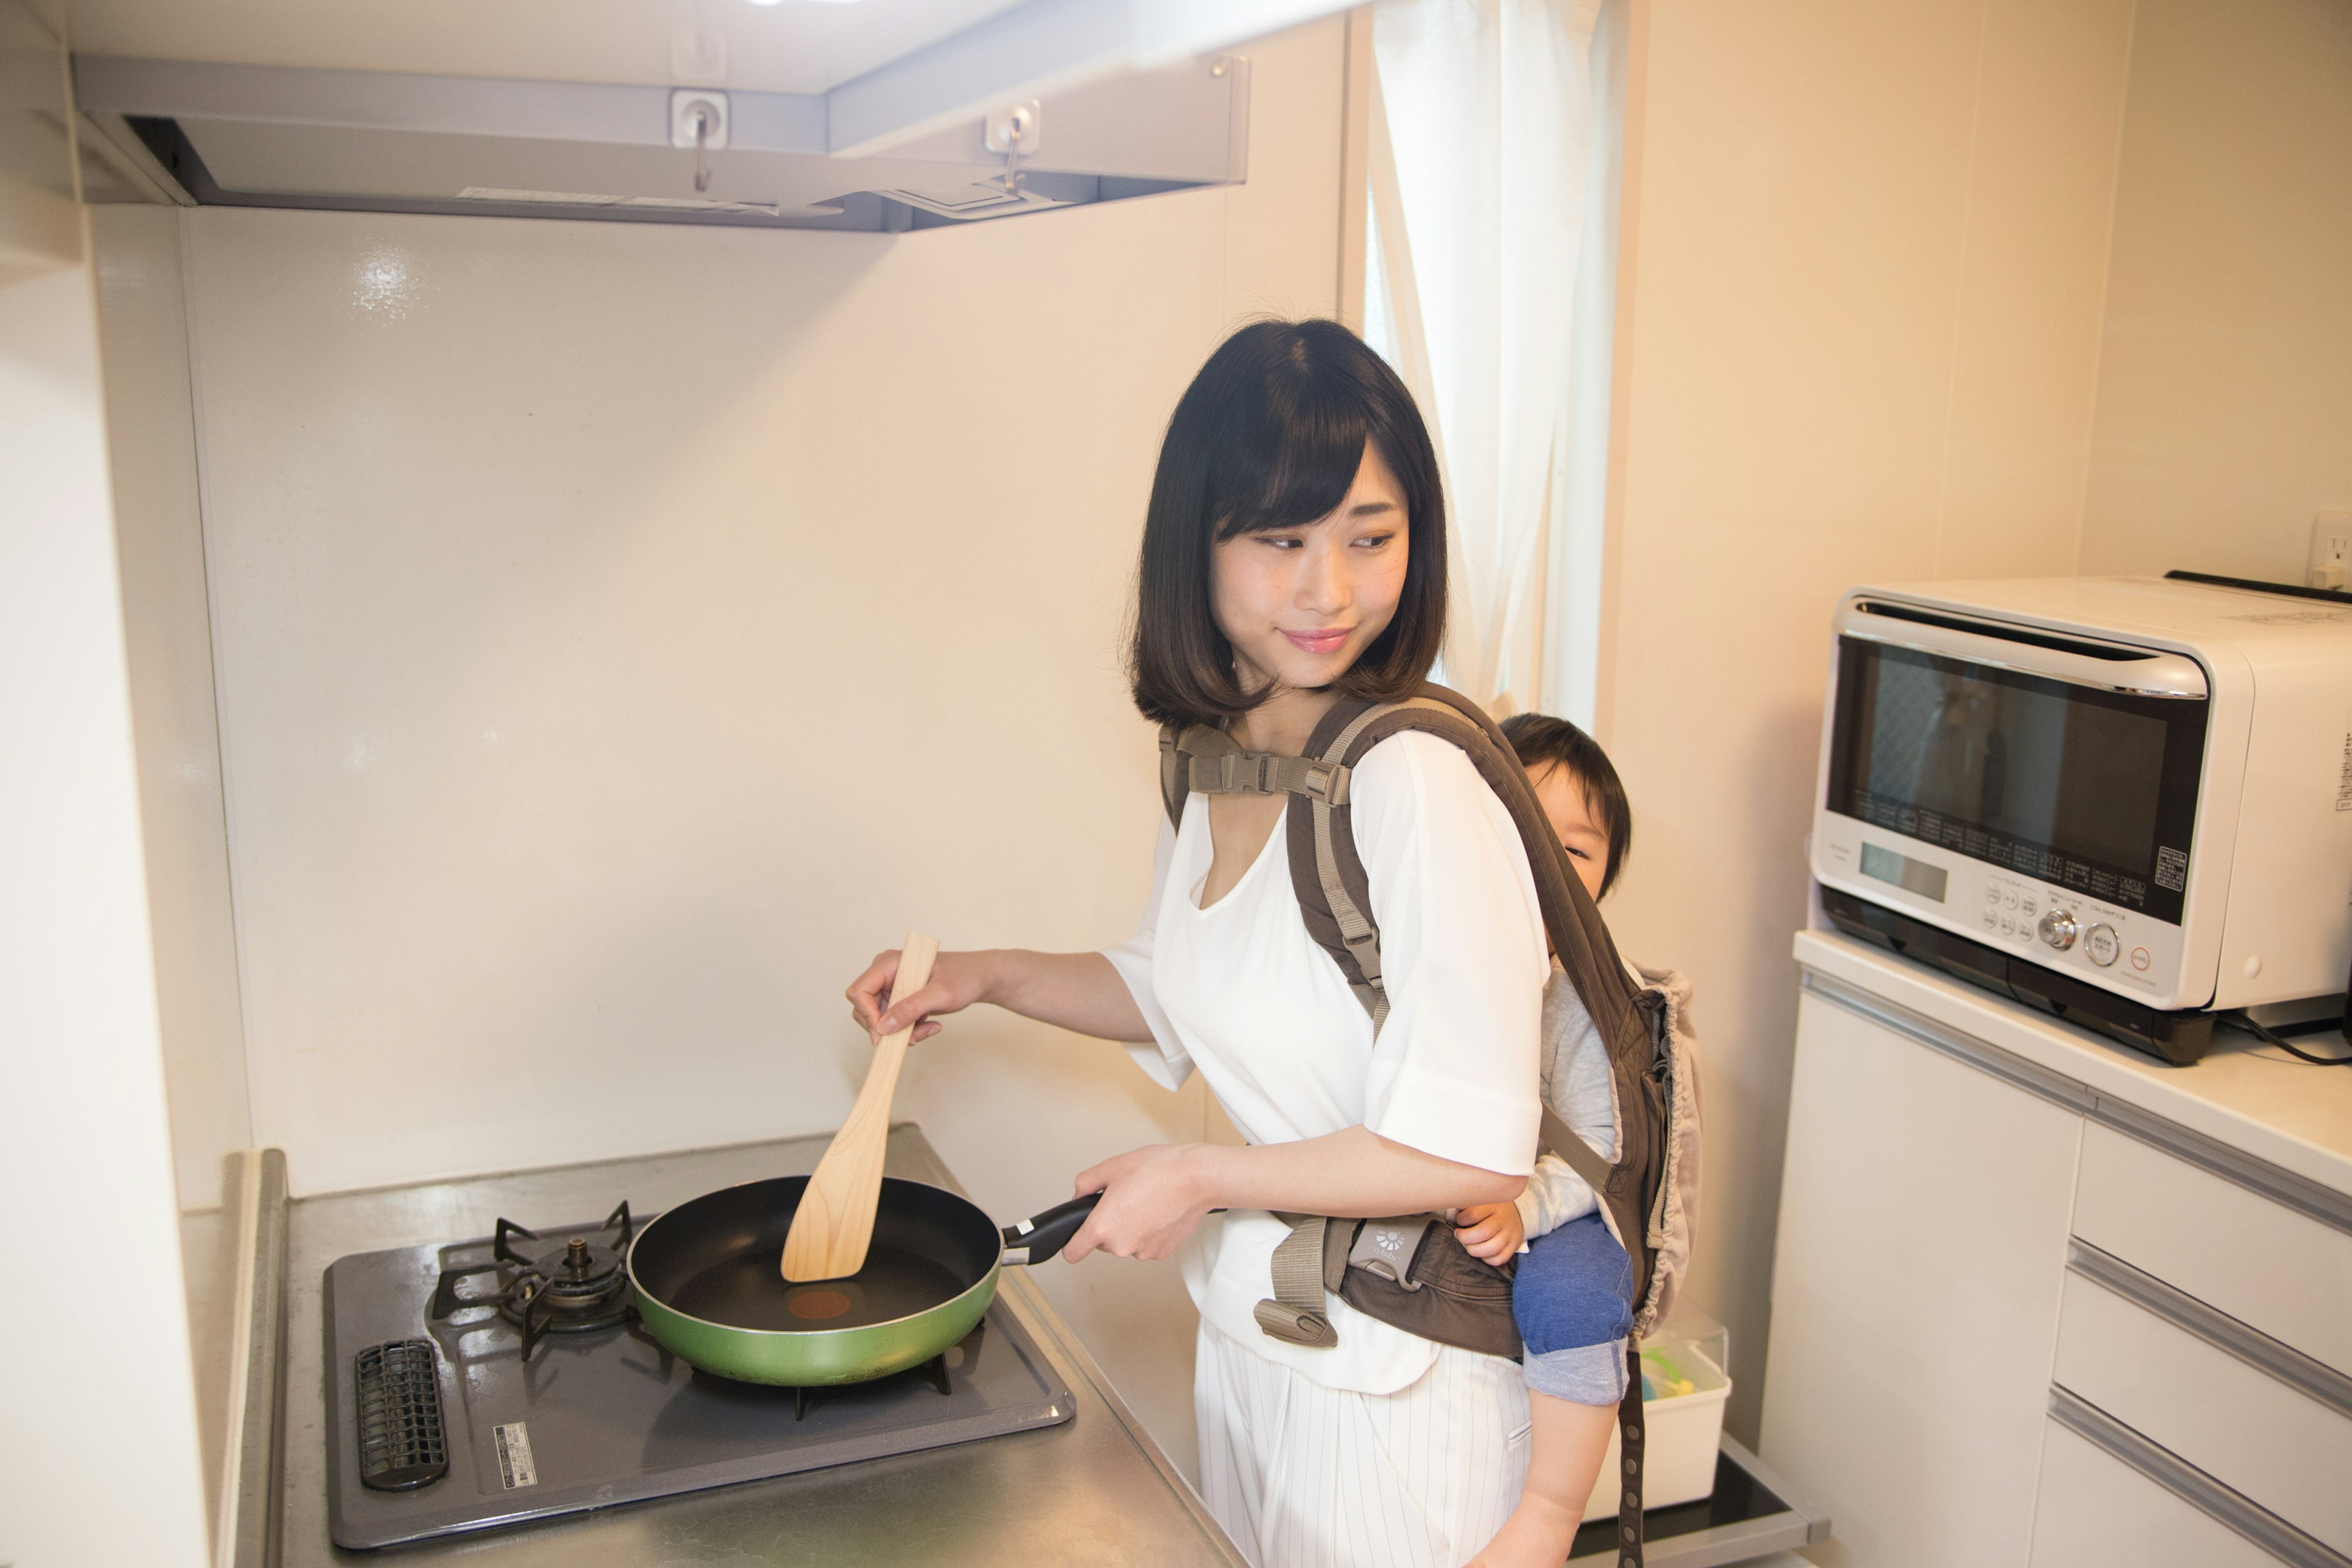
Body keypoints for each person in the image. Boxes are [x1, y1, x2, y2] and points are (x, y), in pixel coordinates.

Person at [844, 319, 1557, 1568]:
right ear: (1201, 546)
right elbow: (1187, 985)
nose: (1328, 587)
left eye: (1369, 538)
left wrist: (1202, 1175)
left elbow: (1464, 1145)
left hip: (1405, 1388)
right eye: (1281, 540)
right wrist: (985, 974)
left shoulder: (1416, 786)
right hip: (1262, 1342)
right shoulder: (1219, 760)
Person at [1453, 713, 1638, 1568]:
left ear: (1603, 882)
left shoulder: (1587, 997)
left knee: (1577, 1294)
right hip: (1456, 1172)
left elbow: (1600, 1155)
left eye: (1578, 850)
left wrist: (1528, 1208)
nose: (1548, 867)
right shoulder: (1439, 947)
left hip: (1561, 1201)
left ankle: (1551, 1516)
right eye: (1524, 829)